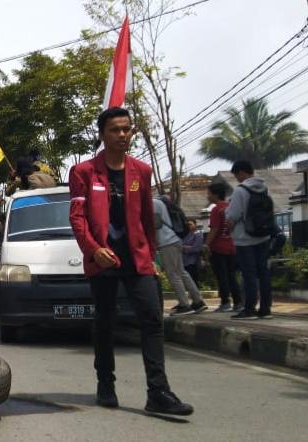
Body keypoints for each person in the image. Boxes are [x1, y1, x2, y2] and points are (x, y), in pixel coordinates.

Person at [69, 107, 193, 416]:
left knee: (151, 319)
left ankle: (158, 392)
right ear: (103, 134)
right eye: (115, 130)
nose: (122, 135)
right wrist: (93, 249)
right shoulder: (84, 172)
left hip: (137, 259)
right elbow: (78, 217)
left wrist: (150, 256)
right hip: (103, 259)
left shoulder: (142, 171)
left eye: (126, 129)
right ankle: (105, 384)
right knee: (105, 322)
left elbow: (147, 219)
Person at [225, 160, 273, 320]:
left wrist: (229, 226)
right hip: (263, 236)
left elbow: (232, 216)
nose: (237, 179)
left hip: (245, 239)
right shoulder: (264, 188)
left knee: (249, 274)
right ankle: (265, 309)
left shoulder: (240, 191)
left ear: (242, 172)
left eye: (237, 175)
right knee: (263, 273)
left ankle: (249, 309)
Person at [154, 197, 208, 316]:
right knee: (181, 272)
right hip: (174, 240)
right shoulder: (159, 202)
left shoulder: (153, 202)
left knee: (173, 274)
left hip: (166, 242)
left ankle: (184, 305)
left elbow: (155, 223)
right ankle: (198, 301)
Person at [205, 182, 243, 313]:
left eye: (209, 193)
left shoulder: (216, 209)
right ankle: (238, 302)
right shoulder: (230, 207)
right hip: (232, 246)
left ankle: (225, 302)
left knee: (222, 276)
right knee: (232, 275)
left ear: (215, 194)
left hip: (218, 248)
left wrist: (206, 244)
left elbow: (214, 229)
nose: (207, 196)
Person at [181, 220, 203, 286]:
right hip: (183, 262)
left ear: (195, 225)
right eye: (187, 224)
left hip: (193, 262)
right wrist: (187, 247)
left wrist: (184, 248)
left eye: (190, 224)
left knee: (193, 281)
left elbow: (196, 248)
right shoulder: (185, 235)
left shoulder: (198, 235)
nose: (188, 226)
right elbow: (179, 246)